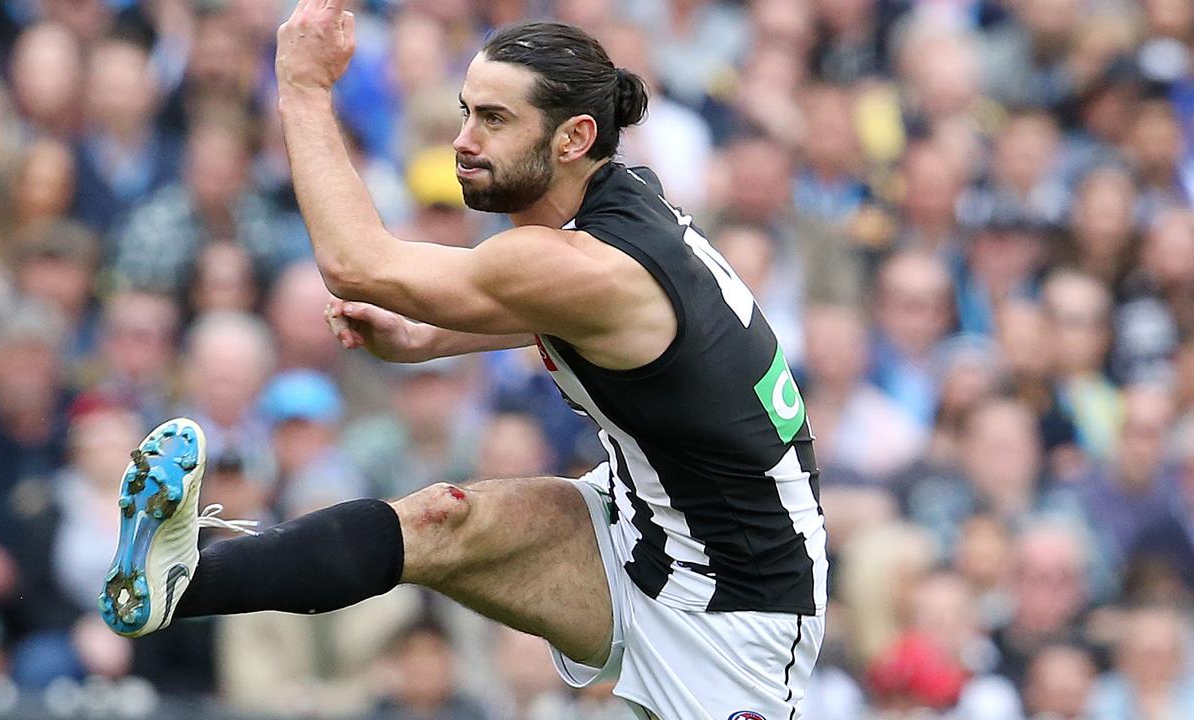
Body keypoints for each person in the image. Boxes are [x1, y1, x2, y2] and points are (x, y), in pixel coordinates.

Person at [100, 9, 826, 720]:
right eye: (465, 111)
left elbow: (357, 264)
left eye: (495, 120)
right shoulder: (611, 221)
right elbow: (571, 314)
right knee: (445, 524)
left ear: (574, 137)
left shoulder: (583, 262)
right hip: (645, 523)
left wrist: (304, 89)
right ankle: (178, 580)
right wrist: (428, 339)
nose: (462, 140)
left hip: (740, 610)